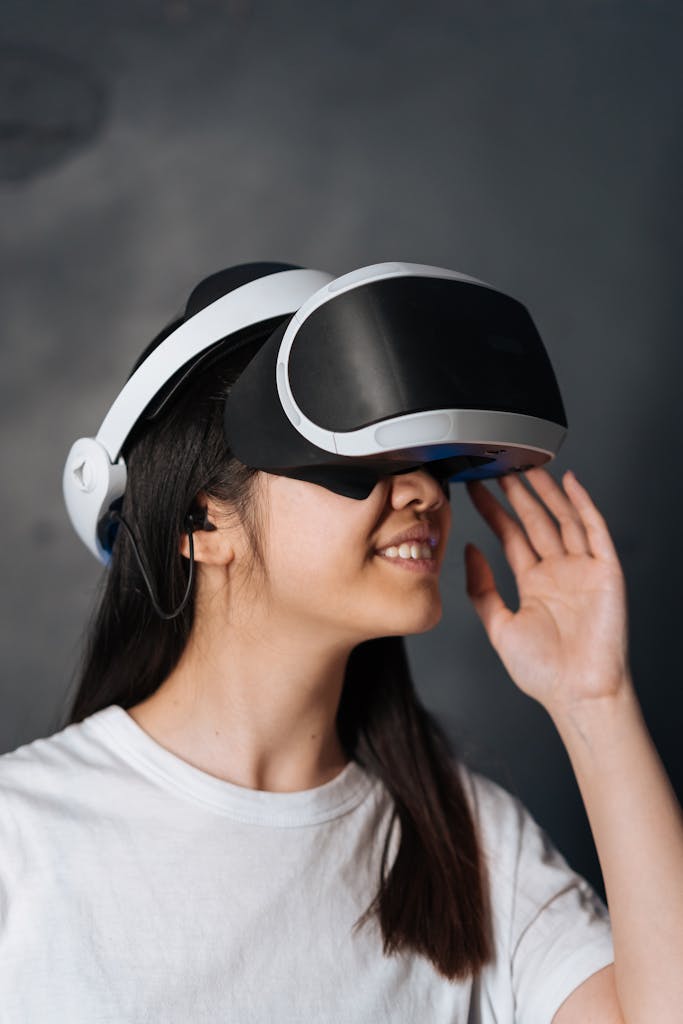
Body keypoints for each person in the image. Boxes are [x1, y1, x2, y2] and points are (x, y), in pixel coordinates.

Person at [1, 268, 681, 1024]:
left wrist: (596, 701)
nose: (423, 493)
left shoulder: (472, 846)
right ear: (201, 523)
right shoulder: (20, 837)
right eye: (363, 460)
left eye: (427, 464)